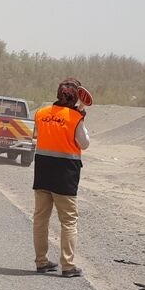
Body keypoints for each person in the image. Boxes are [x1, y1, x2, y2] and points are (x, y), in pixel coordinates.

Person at [33, 78, 91, 277]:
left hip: (42, 172)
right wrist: (80, 115)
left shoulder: (40, 113)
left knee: (40, 219)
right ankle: (68, 265)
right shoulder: (75, 118)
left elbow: (37, 135)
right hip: (65, 176)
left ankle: (41, 262)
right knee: (68, 221)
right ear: (75, 97)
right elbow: (84, 144)